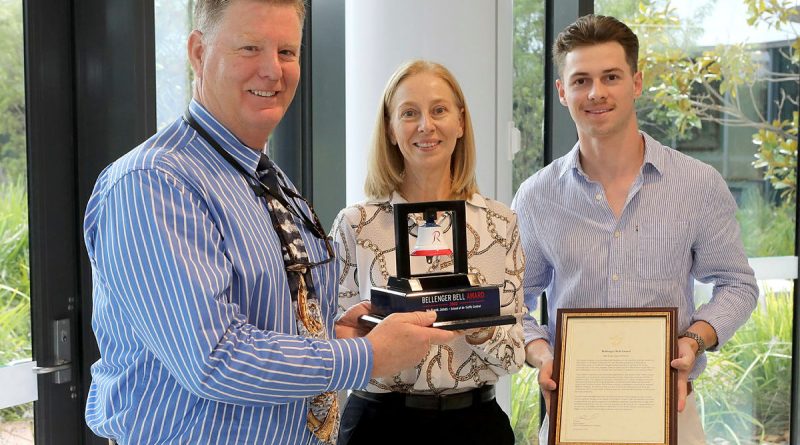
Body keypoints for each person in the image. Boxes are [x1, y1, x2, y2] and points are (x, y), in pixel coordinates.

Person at [82, 1, 455, 444]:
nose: (272, 71)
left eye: (286, 52)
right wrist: (365, 356)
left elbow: (271, 319)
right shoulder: (155, 184)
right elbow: (215, 357)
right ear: (198, 52)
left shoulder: (267, 179)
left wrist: (335, 334)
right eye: (250, 48)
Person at [511, 14, 758, 444]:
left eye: (611, 76)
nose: (596, 93)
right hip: (573, 414)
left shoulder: (697, 184)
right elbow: (513, 302)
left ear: (637, 83)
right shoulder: (537, 196)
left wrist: (694, 340)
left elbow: (737, 284)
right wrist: (541, 352)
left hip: (670, 413)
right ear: (562, 93)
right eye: (581, 80)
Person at [331, 60, 525, 445]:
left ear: (460, 122)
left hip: (476, 427)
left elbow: (512, 359)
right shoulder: (356, 224)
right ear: (389, 127)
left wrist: (480, 325)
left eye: (439, 110)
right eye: (409, 113)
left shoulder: (500, 225)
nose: (426, 125)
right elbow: (336, 348)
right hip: (378, 427)